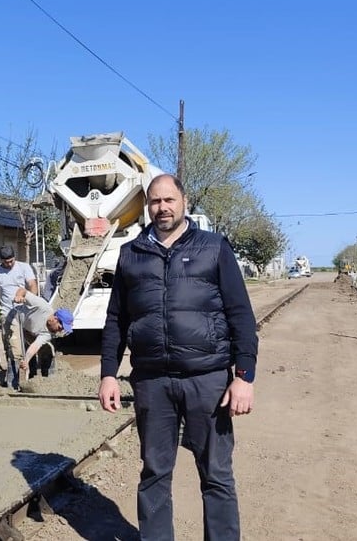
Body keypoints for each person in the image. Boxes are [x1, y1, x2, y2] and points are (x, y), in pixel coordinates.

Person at [99, 174, 258, 541]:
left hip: (208, 381)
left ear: (183, 202)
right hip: (153, 382)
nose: (162, 208)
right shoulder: (131, 255)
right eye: (155, 202)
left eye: (169, 200)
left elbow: (241, 316)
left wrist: (243, 376)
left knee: (216, 473)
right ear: (147, 207)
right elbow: (116, 320)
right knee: (154, 472)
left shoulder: (214, 248)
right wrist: (109, 373)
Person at [0, 245, 38, 387]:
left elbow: (32, 284)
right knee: (11, 343)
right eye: (6, 262)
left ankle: (32, 371)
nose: (9, 264)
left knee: (29, 341)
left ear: (15, 258)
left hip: (25, 310)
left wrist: (31, 299)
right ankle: (12, 377)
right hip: (7, 312)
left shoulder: (24, 267)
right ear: (1, 260)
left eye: (11, 261)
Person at [10, 286, 73, 378]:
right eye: (60, 327)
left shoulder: (49, 333)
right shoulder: (41, 306)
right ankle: (13, 383)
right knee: (16, 350)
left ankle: (44, 378)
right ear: (55, 319)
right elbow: (22, 290)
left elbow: (35, 346)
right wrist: (19, 296)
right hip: (15, 319)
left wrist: (26, 361)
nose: (61, 330)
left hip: (29, 330)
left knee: (46, 349)